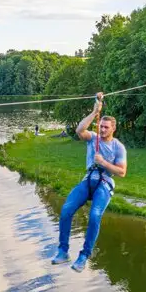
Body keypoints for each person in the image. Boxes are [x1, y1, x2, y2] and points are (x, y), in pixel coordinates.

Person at [51, 92, 127, 272]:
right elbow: (79, 131)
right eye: (101, 126)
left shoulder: (118, 147)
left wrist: (104, 163)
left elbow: (122, 172)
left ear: (113, 129)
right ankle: (63, 251)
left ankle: (84, 255)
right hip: (88, 180)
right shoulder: (93, 138)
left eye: (106, 127)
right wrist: (94, 112)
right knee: (66, 210)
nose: (102, 130)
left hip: (104, 183)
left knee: (94, 216)